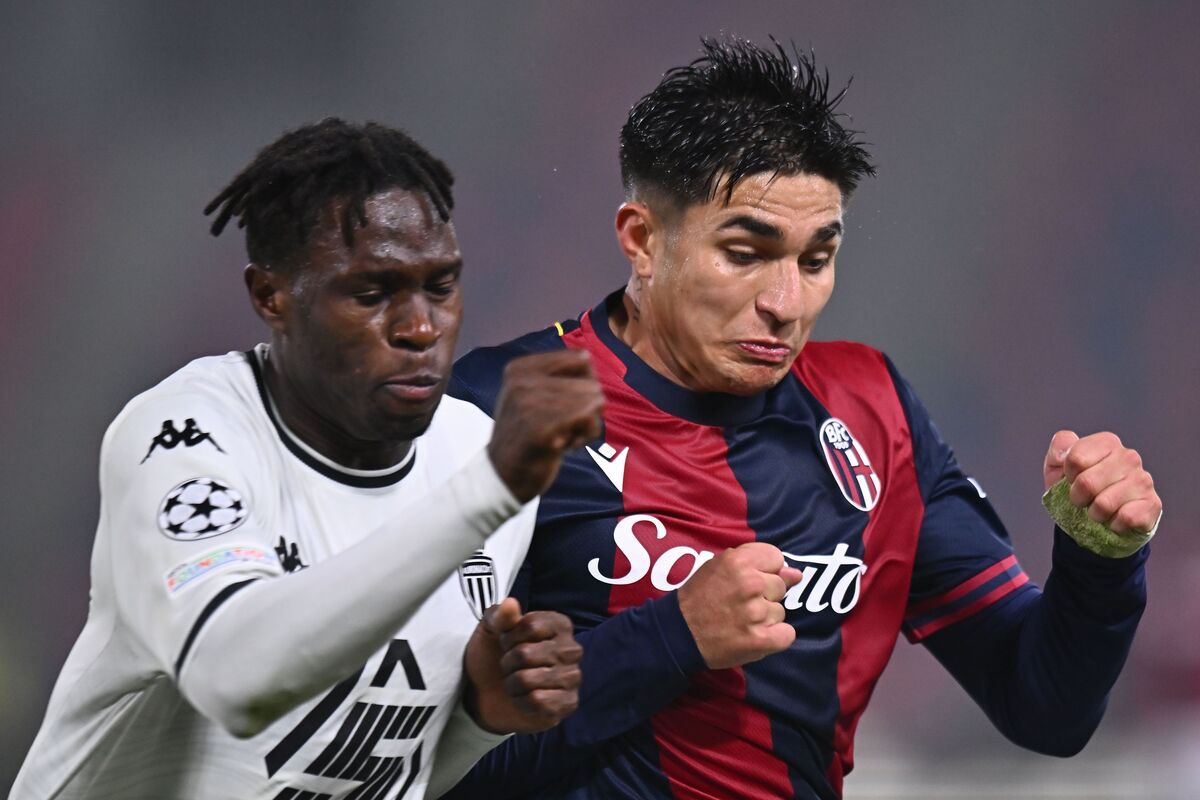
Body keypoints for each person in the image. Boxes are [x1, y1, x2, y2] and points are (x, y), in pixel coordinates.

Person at [445, 39, 1162, 800]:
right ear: (643, 239)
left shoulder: (873, 411)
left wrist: (1097, 562)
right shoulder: (498, 410)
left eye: (815, 260)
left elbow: (1044, 708)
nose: (785, 303)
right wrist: (671, 636)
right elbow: (415, 768)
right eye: (746, 252)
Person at [11, 119, 604, 800]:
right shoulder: (186, 435)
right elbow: (234, 681)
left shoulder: (469, 450)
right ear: (271, 296)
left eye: (440, 286)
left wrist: (480, 717)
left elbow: (366, 777)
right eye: (371, 293)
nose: (419, 328)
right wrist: (487, 490)